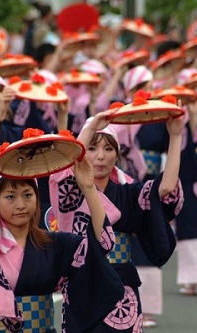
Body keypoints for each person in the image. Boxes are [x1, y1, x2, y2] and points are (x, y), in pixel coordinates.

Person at [49, 109, 184, 331]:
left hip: (121, 281)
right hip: (82, 279)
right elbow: (64, 170)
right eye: (92, 148)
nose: (101, 156)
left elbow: (166, 188)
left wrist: (176, 136)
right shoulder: (72, 191)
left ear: (117, 154)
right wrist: (90, 127)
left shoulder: (128, 192)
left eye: (108, 148)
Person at [0, 157, 124, 332]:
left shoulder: (54, 244)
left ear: (37, 198)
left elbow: (101, 245)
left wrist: (88, 188)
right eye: (10, 197)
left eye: (28, 195)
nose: (21, 205)